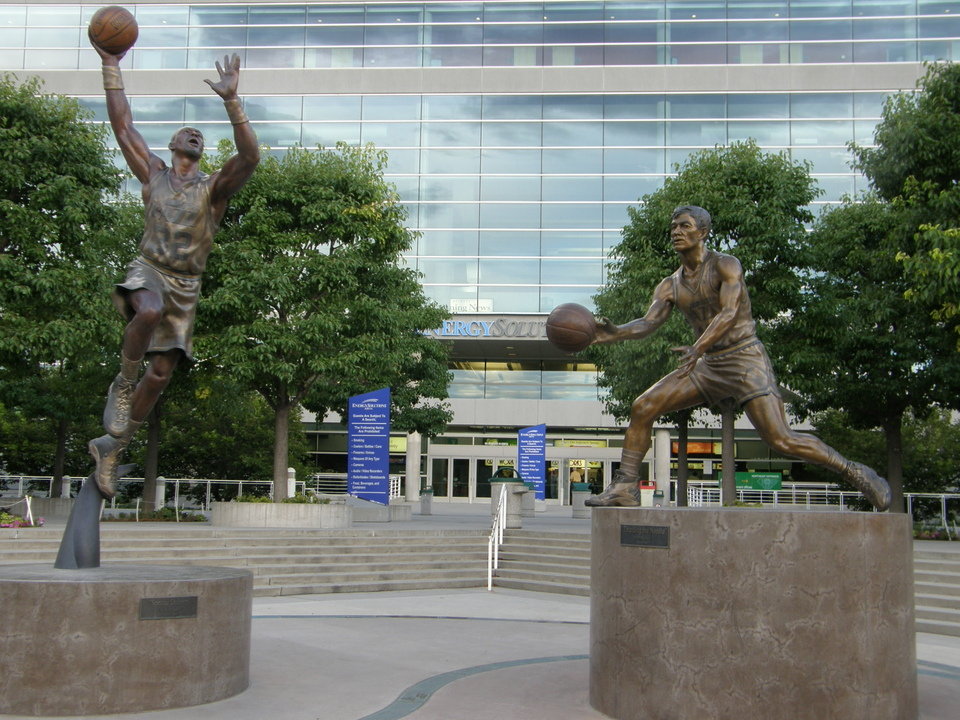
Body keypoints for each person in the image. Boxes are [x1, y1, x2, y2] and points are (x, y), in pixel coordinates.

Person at [585, 206, 891, 511]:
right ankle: (625, 487)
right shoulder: (670, 284)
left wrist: (698, 348)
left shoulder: (726, 265)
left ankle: (856, 472)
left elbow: (729, 313)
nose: (676, 232)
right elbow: (647, 323)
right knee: (643, 406)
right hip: (708, 364)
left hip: (745, 359)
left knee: (780, 439)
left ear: (702, 232)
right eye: (673, 227)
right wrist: (611, 333)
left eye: (684, 226)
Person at [86, 41, 259, 498]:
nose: (193, 134)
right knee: (145, 312)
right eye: (187, 132)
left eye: (199, 134)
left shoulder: (213, 190)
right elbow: (122, 125)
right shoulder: (154, 174)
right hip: (149, 269)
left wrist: (232, 101)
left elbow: (250, 158)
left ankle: (112, 447)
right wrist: (110, 66)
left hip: (188, 285)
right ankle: (123, 383)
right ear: (173, 144)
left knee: (161, 372)